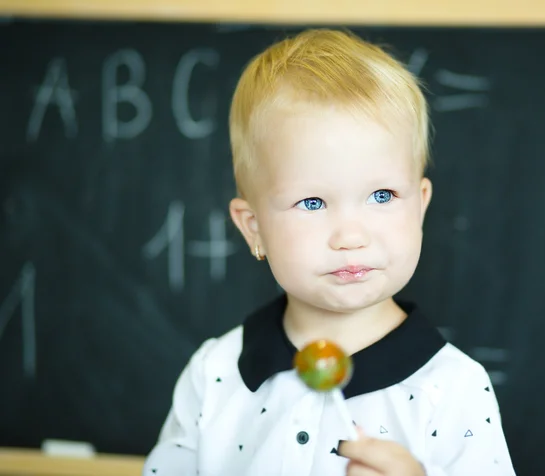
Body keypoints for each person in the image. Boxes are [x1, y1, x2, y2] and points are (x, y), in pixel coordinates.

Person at [143, 28, 516, 476]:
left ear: (420, 206)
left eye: (381, 196)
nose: (350, 236)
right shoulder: (215, 374)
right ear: (253, 228)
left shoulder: (454, 389)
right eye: (312, 203)